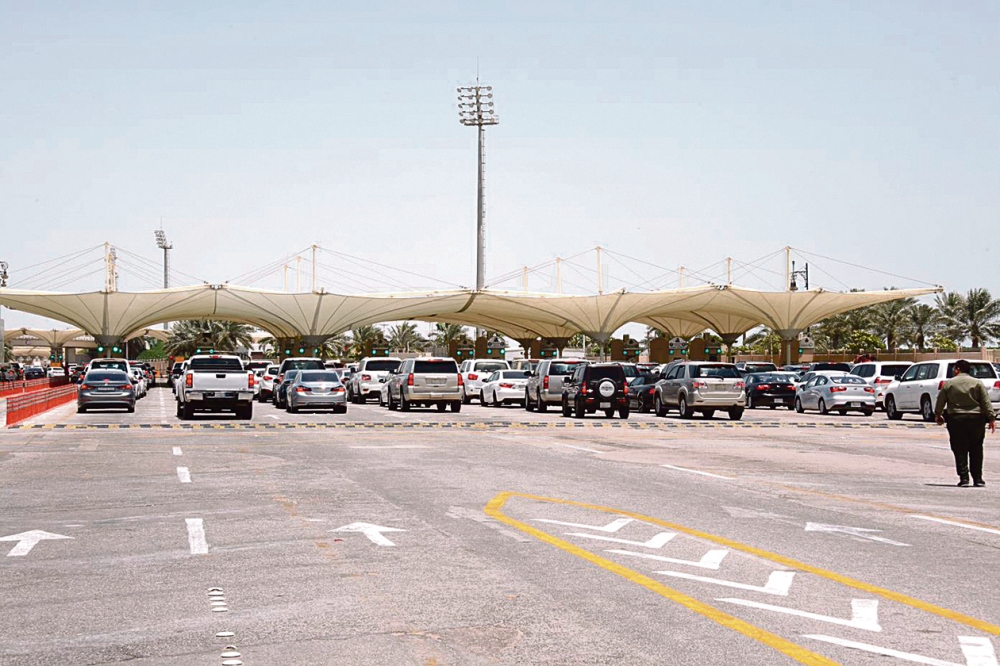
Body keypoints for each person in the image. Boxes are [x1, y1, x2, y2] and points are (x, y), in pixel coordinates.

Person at [935, 359, 996, 487]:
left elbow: (941, 401)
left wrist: (938, 415)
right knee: (976, 448)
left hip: (956, 419)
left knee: (959, 448)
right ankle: (978, 479)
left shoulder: (949, 384)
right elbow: (986, 402)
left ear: (957, 369)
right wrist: (991, 418)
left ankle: (964, 478)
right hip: (976, 419)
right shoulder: (977, 383)